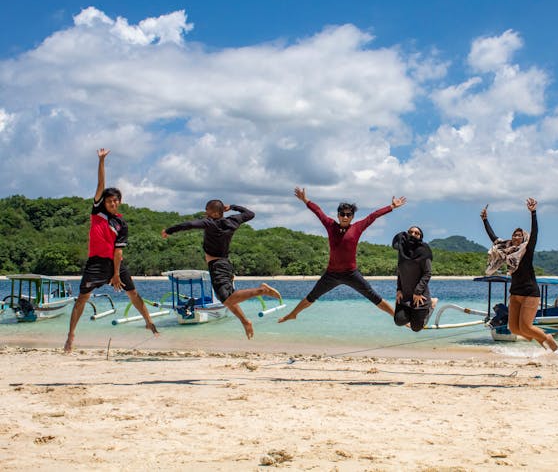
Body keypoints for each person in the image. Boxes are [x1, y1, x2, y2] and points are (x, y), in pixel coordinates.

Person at [64, 149, 159, 352]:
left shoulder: (121, 224)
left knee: (133, 292)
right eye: (109, 201)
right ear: (103, 203)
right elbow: (100, 185)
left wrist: (116, 274)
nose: (112, 203)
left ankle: (149, 322)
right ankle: (71, 335)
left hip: (115, 263)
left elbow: (118, 252)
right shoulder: (97, 212)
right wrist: (101, 161)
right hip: (96, 263)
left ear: (120, 202)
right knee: (82, 298)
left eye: (115, 200)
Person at [278, 187, 406, 323]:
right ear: (338, 215)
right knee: (311, 297)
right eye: (342, 214)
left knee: (374, 297)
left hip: (351, 274)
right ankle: (292, 314)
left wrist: (391, 206)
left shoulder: (357, 227)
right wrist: (305, 200)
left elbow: (373, 216)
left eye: (348, 214)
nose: (345, 217)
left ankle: (397, 317)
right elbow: (318, 211)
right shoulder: (330, 225)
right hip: (331, 274)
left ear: (352, 216)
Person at [161, 200, 281, 339]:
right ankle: (245, 322)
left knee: (227, 299)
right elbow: (250, 214)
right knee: (227, 297)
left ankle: (262, 290)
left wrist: (169, 231)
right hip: (225, 264)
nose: (205, 213)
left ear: (216, 213)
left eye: (207, 210)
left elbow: (189, 225)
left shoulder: (210, 223)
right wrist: (233, 207)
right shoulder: (233, 220)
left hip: (218, 266)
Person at [481, 199, 558, 351]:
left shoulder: (527, 250)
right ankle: (541, 339)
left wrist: (533, 213)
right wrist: (485, 220)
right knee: (515, 329)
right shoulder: (507, 250)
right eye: (514, 235)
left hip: (530, 292)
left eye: (519, 235)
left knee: (526, 327)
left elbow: (535, 232)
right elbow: (493, 238)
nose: (516, 237)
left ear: (524, 238)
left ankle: (549, 339)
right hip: (515, 292)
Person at [392, 226, 437, 332]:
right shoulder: (402, 251)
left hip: (420, 295)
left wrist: (417, 292)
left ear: (420, 236)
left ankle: (432, 304)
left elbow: (427, 273)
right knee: (399, 321)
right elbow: (400, 271)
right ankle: (414, 315)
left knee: (416, 328)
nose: (413, 234)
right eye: (410, 232)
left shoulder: (424, 250)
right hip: (405, 294)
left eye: (416, 233)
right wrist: (398, 289)